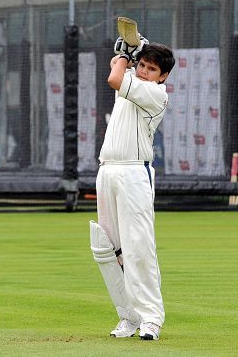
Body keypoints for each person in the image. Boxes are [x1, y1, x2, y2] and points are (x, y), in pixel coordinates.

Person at [89, 36, 175, 341]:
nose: (143, 72)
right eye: (142, 66)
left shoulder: (154, 94)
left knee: (138, 247)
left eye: (151, 69)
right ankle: (129, 315)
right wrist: (128, 52)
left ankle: (151, 318)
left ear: (162, 76)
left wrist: (128, 55)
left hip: (133, 172)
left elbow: (114, 75)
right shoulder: (133, 78)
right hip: (107, 169)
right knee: (109, 248)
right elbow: (118, 66)